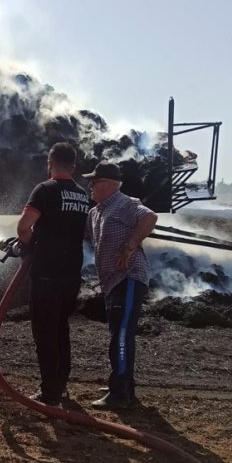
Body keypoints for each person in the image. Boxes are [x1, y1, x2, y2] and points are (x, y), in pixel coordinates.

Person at [16, 142, 90, 406]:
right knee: (61, 329)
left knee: (45, 334)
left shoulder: (44, 190)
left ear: (50, 162)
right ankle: (61, 386)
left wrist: (27, 245)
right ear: (73, 165)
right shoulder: (82, 195)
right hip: (71, 274)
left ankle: (49, 394)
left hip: (46, 274)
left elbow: (24, 226)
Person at [83, 161, 158, 410]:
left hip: (129, 278)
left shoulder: (124, 203)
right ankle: (124, 384)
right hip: (112, 282)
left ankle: (119, 394)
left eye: (94, 182)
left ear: (111, 185)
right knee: (118, 334)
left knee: (122, 336)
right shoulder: (96, 212)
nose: (90, 186)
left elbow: (149, 217)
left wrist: (130, 246)